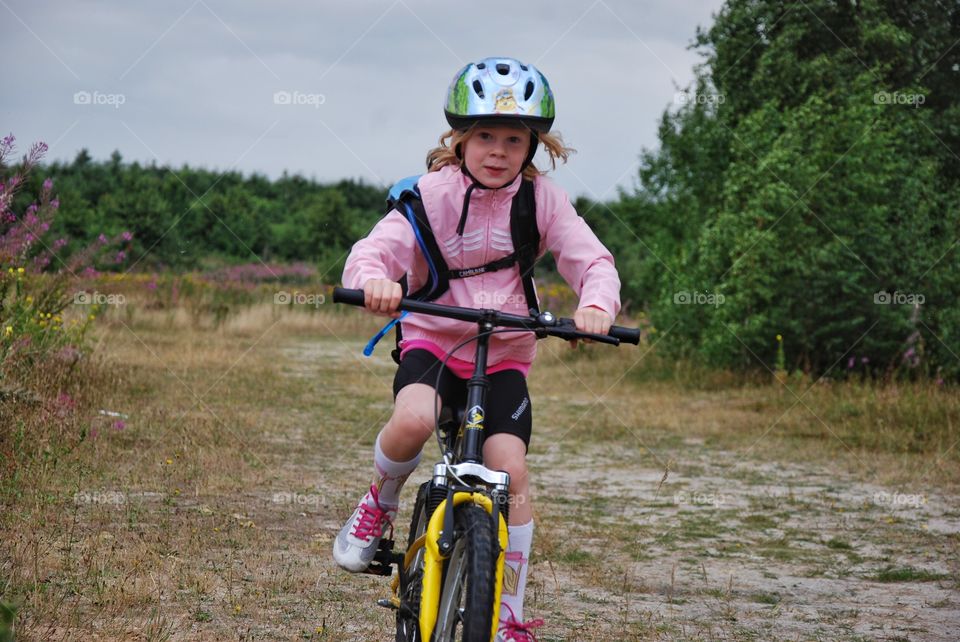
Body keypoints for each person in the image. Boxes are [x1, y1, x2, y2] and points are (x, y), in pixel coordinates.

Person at [333, 56, 621, 641]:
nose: (498, 151)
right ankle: (380, 501)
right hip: (435, 340)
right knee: (414, 419)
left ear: (533, 145)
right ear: (460, 139)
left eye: (514, 139)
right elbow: (375, 250)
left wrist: (597, 306)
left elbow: (591, 260)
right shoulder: (429, 195)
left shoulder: (542, 201)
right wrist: (375, 281)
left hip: (505, 351)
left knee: (510, 469)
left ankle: (509, 612)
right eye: (485, 136)